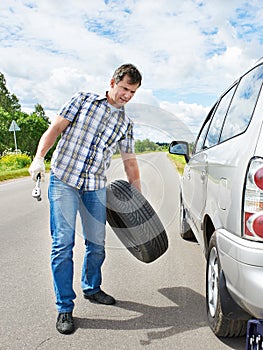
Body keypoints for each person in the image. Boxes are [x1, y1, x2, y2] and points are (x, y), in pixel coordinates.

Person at [29, 63, 142, 334]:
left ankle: (92, 287)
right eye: (125, 88)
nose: (127, 95)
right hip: (64, 180)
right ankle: (65, 308)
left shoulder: (126, 123)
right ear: (113, 82)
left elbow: (130, 163)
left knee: (97, 244)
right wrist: (38, 158)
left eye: (133, 92)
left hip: (94, 186)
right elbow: (55, 129)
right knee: (62, 245)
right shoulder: (83, 100)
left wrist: (138, 196)